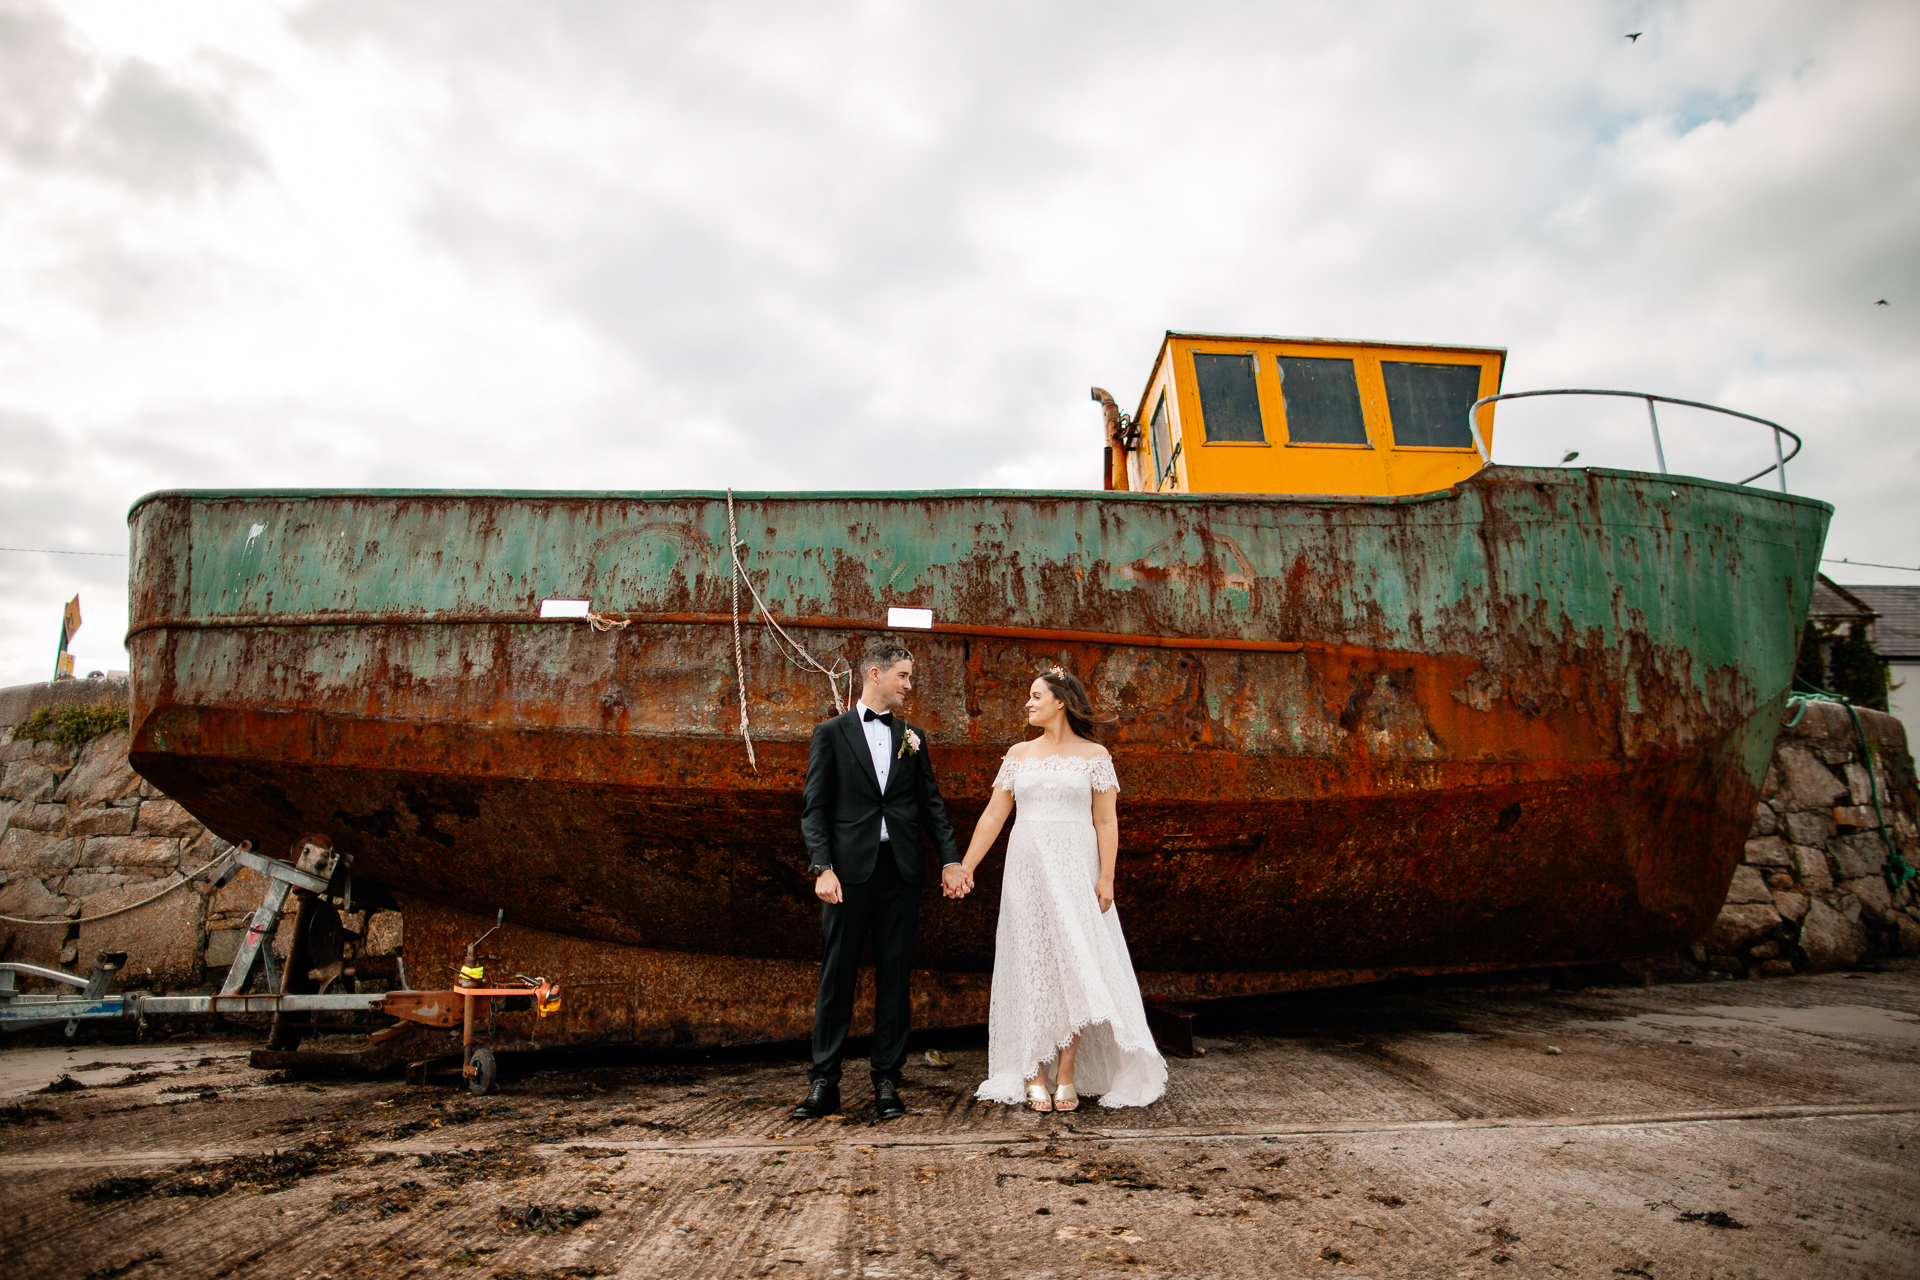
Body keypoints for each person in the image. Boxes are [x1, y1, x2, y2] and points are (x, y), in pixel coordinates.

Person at [947, 666, 1166, 1111]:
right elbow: (993, 817)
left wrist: (1107, 876)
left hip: (1075, 869)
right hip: (1027, 868)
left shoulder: (1095, 755)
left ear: (1060, 702)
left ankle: (1065, 1074)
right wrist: (966, 866)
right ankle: (1031, 1072)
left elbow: (1106, 820)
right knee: (1029, 962)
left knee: (1075, 965)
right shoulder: (1018, 754)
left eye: (1035, 696)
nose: (1028, 704)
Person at [794, 640, 968, 1120]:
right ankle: (824, 1083)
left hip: (901, 872)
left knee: (895, 977)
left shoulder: (914, 737)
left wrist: (950, 860)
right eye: (904, 677)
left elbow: (931, 805)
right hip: (847, 875)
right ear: (876, 673)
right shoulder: (830, 733)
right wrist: (822, 867)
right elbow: (816, 810)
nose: (910, 686)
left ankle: (888, 1081)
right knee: (837, 978)